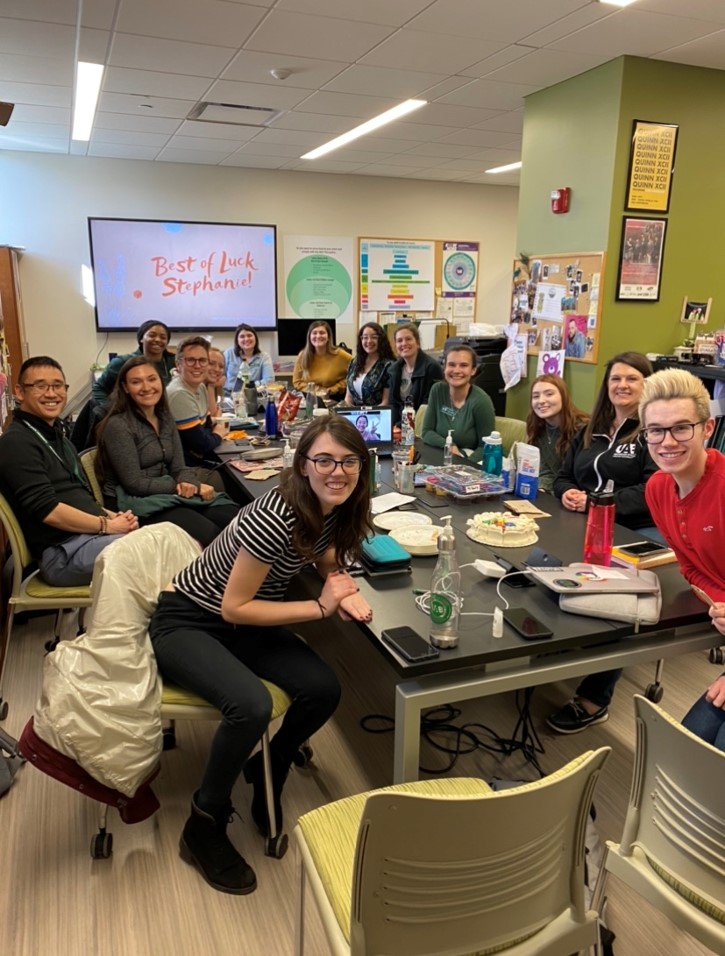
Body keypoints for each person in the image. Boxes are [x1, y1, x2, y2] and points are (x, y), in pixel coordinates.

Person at [148, 416, 373, 894]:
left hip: (239, 622)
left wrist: (339, 582)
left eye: (349, 461)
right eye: (325, 460)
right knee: (249, 706)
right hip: (191, 620)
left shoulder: (332, 502)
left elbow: (324, 550)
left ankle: (269, 766)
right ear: (303, 465)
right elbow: (235, 606)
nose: (338, 471)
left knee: (323, 690)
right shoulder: (276, 516)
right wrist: (319, 606)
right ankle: (203, 824)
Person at [548, 351, 658, 734]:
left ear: (647, 385)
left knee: (616, 601)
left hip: (637, 528)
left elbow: (654, 490)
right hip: (584, 520)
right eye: (615, 379)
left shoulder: (652, 431)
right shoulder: (590, 428)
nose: (622, 385)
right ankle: (557, 648)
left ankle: (595, 698)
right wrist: (568, 495)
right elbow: (564, 476)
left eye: (632, 378)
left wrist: (598, 502)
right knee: (539, 559)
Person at [640, 368, 725, 751]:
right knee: (680, 755)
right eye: (655, 430)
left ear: (707, 429)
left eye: (681, 428)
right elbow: (689, 566)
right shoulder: (658, 489)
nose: (667, 441)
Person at [0, 356, 138, 586]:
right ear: (20, 392)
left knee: (171, 538)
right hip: (62, 555)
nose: (52, 394)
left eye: (57, 386)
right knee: (162, 547)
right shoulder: (17, 442)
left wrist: (113, 516)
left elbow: (77, 496)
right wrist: (107, 525)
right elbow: (49, 511)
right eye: (40, 386)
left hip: (86, 540)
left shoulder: (57, 437)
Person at [95, 357, 239, 548]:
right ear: (125, 388)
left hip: (166, 494)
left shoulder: (165, 417)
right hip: (132, 503)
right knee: (212, 535)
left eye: (151, 379)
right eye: (136, 382)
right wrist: (182, 486)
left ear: (160, 382)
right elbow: (134, 484)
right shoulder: (118, 425)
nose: (146, 387)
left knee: (237, 520)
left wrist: (190, 481)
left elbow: (179, 467)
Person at [167, 336, 229, 489]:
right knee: (231, 480)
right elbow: (201, 444)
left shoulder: (199, 387)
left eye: (202, 360)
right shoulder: (179, 393)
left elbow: (206, 426)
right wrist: (219, 434)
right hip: (182, 469)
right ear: (178, 364)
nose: (197, 366)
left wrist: (210, 434)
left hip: (197, 460)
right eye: (191, 360)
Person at [421, 345, 494, 461]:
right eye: (451, 365)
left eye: (464, 365)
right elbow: (426, 432)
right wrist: (449, 445)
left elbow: (486, 447)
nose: (456, 370)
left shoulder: (481, 401)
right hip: (442, 455)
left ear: (473, 370)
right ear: (444, 368)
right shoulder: (437, 390)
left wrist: (463, 463)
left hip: (469, 459)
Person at [526, 374, 589, 493]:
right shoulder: (538, 427)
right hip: (553, 493)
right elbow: (545, 470)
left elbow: (579, 477)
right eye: (535, 396)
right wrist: (541, 488)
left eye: (549, 394)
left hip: (576, 495)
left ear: (563, 397)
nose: (541, 401)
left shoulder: (583, 430)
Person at [91, 320, 175, 409]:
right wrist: (110, 412)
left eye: (163, 337)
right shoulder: (123, 362)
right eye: (152, 335)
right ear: (141, 338)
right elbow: (98, 389)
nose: (158, 340)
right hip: (131, 417)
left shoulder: (175, 362)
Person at [387, 323, 444, 425]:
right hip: (400, 425)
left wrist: (403, 425)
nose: (404, 343)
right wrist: (393, 426)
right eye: (399, 340)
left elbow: (427, 407)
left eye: (408, 339)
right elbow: (393, 403)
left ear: (417, 343)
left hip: (422, 424)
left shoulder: (431, 368)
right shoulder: (394, 370)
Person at [292, 321, 351, 401]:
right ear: (309, 336)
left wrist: (335, 388)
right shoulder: (303, 355)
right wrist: (319, 390)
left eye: (322, 333)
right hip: (309, 399)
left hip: (334, 399)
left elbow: (356, 375)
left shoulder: (341, 355)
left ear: (329, 337)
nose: (318, 336)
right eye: (314, 333)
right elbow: (297, 382)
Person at [344, 322, 394, 407]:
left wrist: (365, 415)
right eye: (365, 337)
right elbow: (348, 398)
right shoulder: (354, 362)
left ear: (381, 340)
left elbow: (386, 403)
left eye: (374, 337)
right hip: (353, 415)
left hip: (377, 416)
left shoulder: (389, 366)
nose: (369, 341)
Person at [223, 324, 274, 395]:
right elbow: (221, 376)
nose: (246, 339)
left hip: (254, 395)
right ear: (237, 340)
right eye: (242, 336)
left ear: (255, 338)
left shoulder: (264, 357)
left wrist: (250, 385)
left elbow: (269, 381)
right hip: (229, 395)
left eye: (249, 335)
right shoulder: (229, 353)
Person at [206, 346, 226, 419]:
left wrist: (212, 386)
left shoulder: (214, 384)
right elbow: (213, 418)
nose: (217, 369)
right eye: (211, 363)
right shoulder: (194, 388)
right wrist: (211, 386)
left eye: (221, 366)